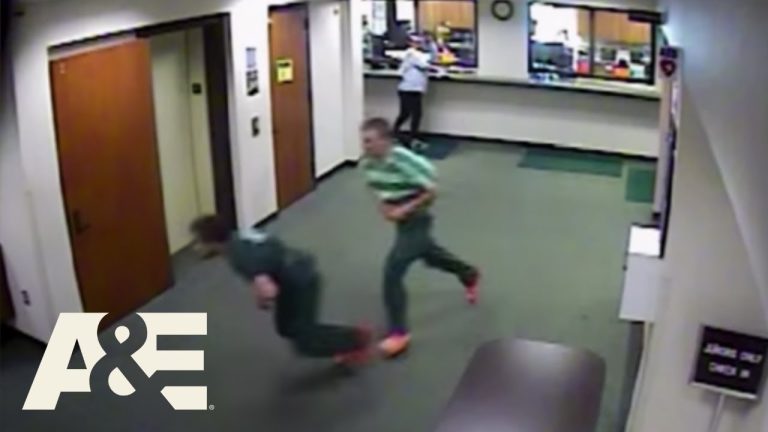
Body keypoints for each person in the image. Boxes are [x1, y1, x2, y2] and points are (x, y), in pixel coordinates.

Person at [360, 118, 480, 358]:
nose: (365, 146)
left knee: (392, 272)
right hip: (402, 220)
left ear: (385, 140)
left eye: (369, 141)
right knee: (430, 254)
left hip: (417, 218)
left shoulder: (402, 159)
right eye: (363, 141)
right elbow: (376, 188)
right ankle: (469, 273)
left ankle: (399, 333)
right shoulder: (368, 163)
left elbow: (431, 191)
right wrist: (384, 206)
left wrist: (403, 210)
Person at [190, 215, 372, 366]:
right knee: (285, 327)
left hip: (301, 281)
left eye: (198, 242)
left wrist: (262, 297)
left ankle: (355, 340)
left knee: (304, 342)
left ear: (211, 242)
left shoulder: (238, 256)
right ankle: (346, 339)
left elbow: (268, 290)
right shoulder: (240, 236)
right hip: (292, 272)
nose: (195, 247)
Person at [394, 35, 431, 149]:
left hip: (413, 89)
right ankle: (408, 137)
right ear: (410, 43)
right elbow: (424, 65)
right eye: (415, 42)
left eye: (420, 42)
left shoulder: (417, 54)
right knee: (411, 114)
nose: (418, 44)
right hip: (409, 89)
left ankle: (401, 134)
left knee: (410, 114)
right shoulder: (412, 54)